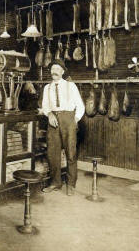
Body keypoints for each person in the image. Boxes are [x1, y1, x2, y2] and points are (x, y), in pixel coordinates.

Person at [41, 60, 85, 196]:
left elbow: (80, 105)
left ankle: (71, 184)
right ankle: (55, 182)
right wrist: (49, 114)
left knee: (70, 152)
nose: (54, 71)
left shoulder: (71, 86)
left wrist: (75, 120)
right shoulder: (47, 88)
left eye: (57, 69)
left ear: (62, 72)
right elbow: (45, 105)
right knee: (52, 153)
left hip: (68, 119)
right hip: (53, 119)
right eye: (52, 69)